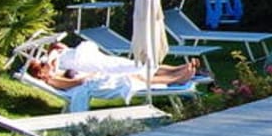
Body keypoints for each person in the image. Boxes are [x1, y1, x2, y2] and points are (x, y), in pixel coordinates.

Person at [27, 41, 199, 91]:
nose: (44, 62)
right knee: (136, 75)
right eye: (42, 64)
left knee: (136, 67)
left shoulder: (54, 64)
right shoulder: (53, 78)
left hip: (98, 69)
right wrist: (90, 76)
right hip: (99, 76)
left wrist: (52, 56)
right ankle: (176, 78)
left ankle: (178, 71)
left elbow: (58, 48)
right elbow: (75, 82)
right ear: (41, 73)